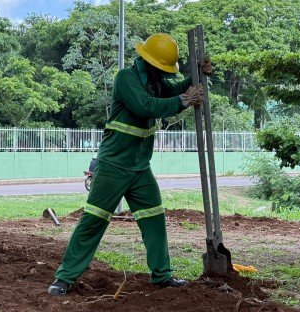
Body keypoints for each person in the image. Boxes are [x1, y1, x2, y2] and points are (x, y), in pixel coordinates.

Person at [48, 33, 211, 296]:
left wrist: (197, 76)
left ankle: (162, 276)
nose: (164, 75)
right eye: (162, 69)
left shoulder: (157, 82)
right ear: (150, 62)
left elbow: (175, 89)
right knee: (94, 220)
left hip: (140, 167)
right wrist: (183, 101)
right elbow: (145, 106)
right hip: (114, 165)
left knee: (154, 219)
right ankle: (64, 278)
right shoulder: (126, 78)